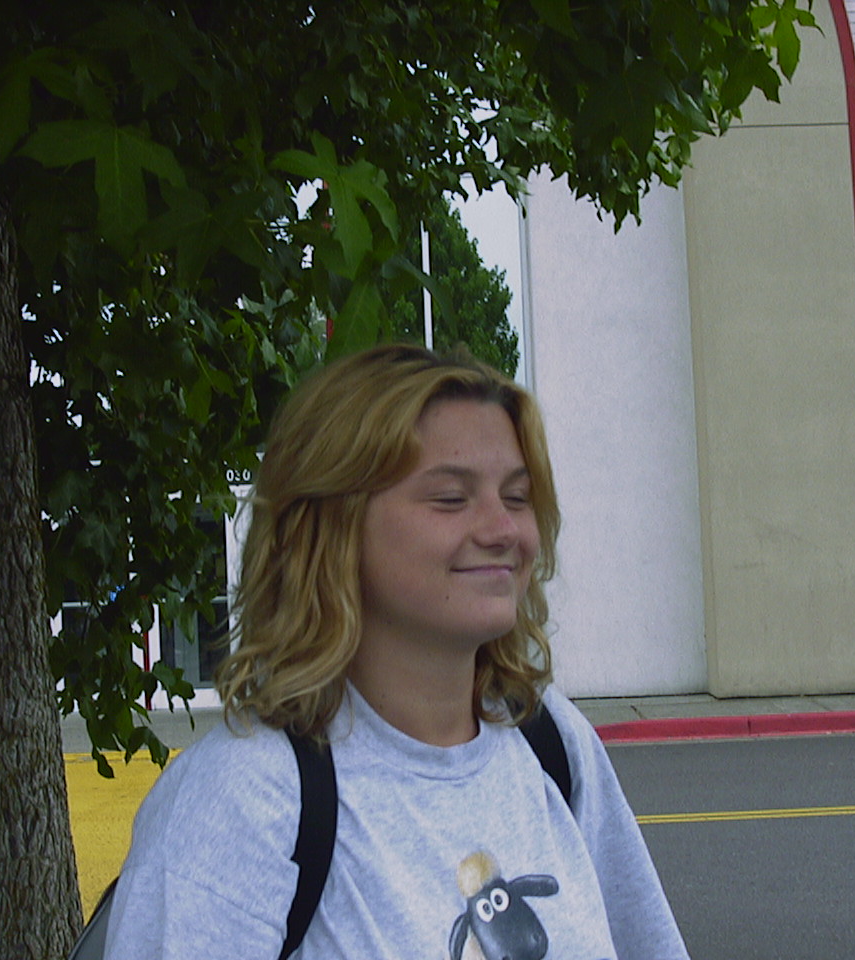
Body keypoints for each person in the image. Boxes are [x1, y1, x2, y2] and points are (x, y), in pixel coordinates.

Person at [102, 343, 689, 959]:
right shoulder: (240, 799)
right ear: (334, 526)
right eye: (451, 498)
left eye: (517, 497)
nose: (503, 530)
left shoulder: (553, 743)